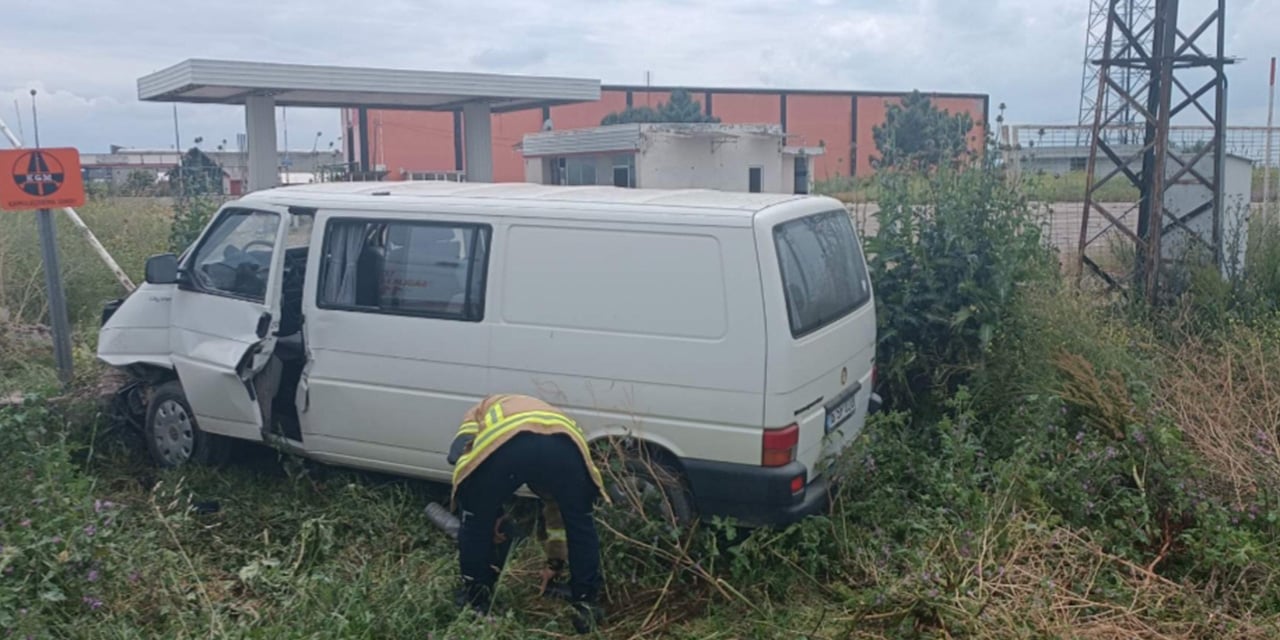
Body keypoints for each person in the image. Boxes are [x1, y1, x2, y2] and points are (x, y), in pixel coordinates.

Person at [446, 394, 609, 633]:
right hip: (565, 449)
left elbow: (462, 453)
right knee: (580, 524)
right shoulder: (555, 417)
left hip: (510, 445)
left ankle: (475, 599)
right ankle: (586, 603)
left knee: (475, 525)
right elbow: (558, 517)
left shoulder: (483, 407)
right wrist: (555, 562)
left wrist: (486, 513)